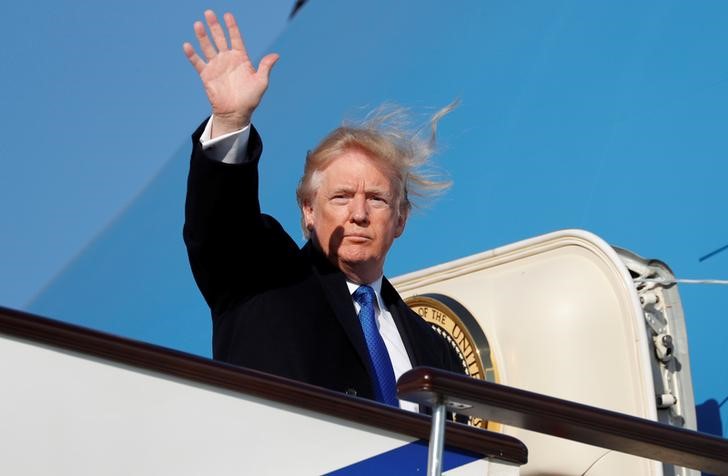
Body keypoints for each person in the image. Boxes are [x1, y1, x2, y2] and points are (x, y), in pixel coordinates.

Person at [182, 10, 463, 410]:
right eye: (342, 196)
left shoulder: (433, 351)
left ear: (400, 219)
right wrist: (230, 121)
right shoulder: (263, 279)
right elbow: (221, 227)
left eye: (377, 199)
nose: (359, 213)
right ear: (308, 211)